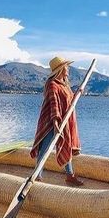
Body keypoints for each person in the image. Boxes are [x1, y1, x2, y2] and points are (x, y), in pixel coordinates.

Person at [30, 56, 84, 186]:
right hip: (51, 122)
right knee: (45, 149)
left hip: (62, 121)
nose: (68, 68)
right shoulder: (52, 84)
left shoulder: (64, 84)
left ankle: (70, 176)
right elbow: (54, 104)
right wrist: (55, 123)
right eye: (66, 66)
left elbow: (68, 102)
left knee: (66, 145)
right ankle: (37, 175)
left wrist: (77, 94)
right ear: (61, 69)